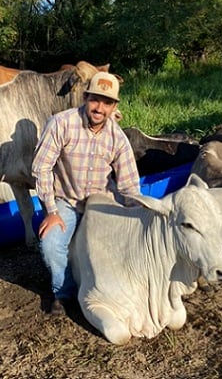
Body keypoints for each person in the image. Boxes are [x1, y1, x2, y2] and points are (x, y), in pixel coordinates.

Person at [32, 71, 141, 316]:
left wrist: (136, 214)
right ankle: (64, 292)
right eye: (95, 99)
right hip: (67, 201)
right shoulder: (61, 123)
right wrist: (50, 210)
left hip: (100, 203)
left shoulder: (118, 138)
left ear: (114, 107)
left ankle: (111, 290)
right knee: (50, 245)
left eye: (107, 102)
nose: (99, 108)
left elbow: (129, 185)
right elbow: (41, 167)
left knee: (122, 245)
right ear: (85, 97)